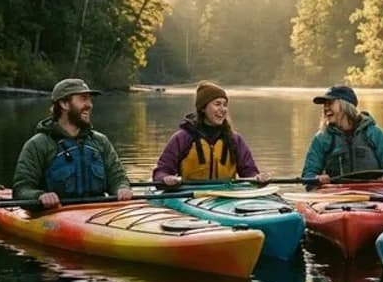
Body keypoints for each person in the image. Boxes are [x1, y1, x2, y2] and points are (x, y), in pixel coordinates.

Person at [13, 78, 134, 209]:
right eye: (83, 99)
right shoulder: (38, 145)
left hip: (97, 212)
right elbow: (21, 190)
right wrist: (39, 196)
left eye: (90, 99)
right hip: (56, 214)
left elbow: (118, 178)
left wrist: (122, 188)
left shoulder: (100, 141)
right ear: (64, 104)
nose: (89, 105)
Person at [153, 81, 270, 187]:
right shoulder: (182, 138)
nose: (223, 109)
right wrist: (165, 178)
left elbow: (249, 172)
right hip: (190, 194)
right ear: (203, 108)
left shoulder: (234, 140)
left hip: (227, 195)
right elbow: (162, 171)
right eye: (217, 104)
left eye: (225, 105)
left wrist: (257, 178)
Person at [301, 84, 383, 184]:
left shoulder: (375, 133)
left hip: (372, 190)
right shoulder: (322, 138)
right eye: (325, 104)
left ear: (345, 105)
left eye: (330, 103)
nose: (326, 108)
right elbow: (308, 175)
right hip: (337, 192)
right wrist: (317, 178)